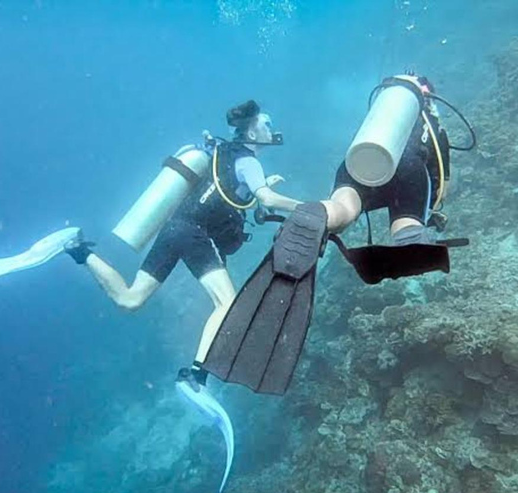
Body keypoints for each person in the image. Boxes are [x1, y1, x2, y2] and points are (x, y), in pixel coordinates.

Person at [201, 74, 474, 395]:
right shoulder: (429, 118)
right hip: (408, 168)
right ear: (427, 97)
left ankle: (316, 216)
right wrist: (431, 213)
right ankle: (408, 238)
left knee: (340, 211)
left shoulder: (382, 119)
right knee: (407, 226)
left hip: (358, 162)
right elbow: (442, 178)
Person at [63, 100, 303, 391]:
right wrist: (310, 209)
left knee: (130, 299)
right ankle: (196, 376)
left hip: (173, 228)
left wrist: (262, 190)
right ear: (252, 134)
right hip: (193, 233)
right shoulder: (249, 161)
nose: (271, 128)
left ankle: (78, 250)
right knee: (227, 303)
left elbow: (243, 199)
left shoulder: (223, 153)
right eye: (266, 124)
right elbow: (266, 199)